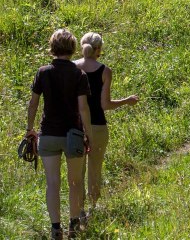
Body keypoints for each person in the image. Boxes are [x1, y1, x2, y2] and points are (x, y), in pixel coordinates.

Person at [26, 29, 93, 239]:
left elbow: (34, 103)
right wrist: (87, 134)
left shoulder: (43, 72)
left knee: (52, 183)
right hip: (72, 135)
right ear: (73, 49)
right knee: (75, 182)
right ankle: (73, 223)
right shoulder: (78, 74)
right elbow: (83, 108)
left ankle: (56, 228)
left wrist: (30, 129)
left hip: (48, 135)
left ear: (53, 47)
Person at [75, 32, 139, 224]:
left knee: (77, 169)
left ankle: (78, 211)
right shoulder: (105, 71)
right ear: (99, 49)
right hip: (98, 127)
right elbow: (105, 105)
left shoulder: (72, 67)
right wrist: (127, 101)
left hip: (76, 126)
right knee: (95, 167)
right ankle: (93, 208)